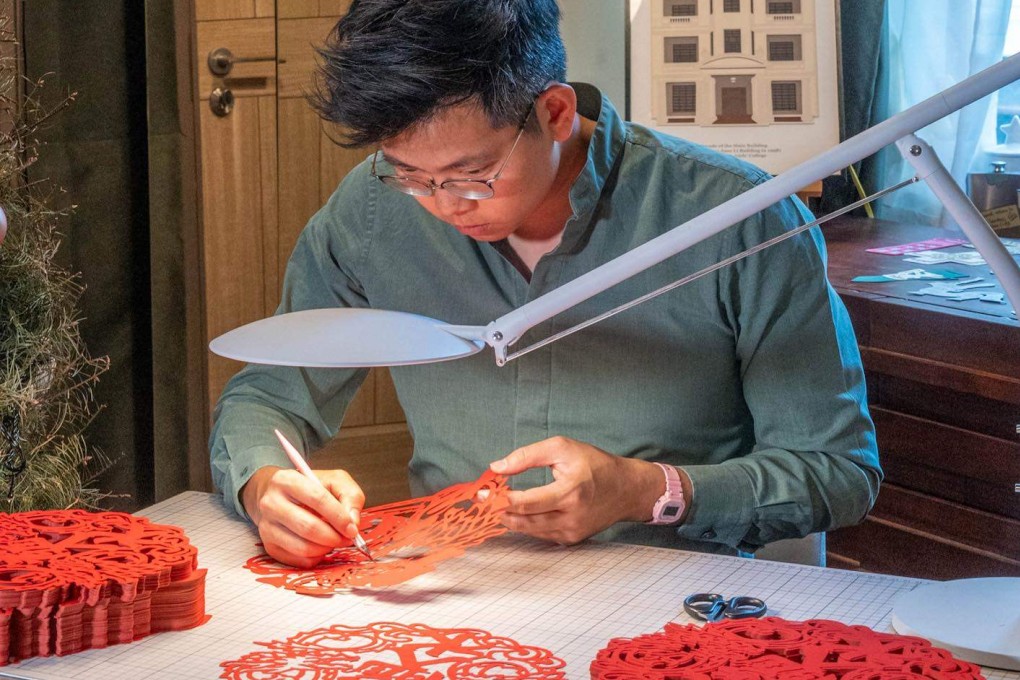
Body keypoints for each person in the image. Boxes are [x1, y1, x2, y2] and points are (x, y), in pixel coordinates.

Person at [210, 0, 881, 569]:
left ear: (555, 113)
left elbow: (838, 471)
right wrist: (267, 486)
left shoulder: (736, 218)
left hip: (672, 601)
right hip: (453, 589)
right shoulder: (372, 210)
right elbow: (268, 396)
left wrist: (649, 489)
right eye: (409, 173)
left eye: (470, 173)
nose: (443, 204)